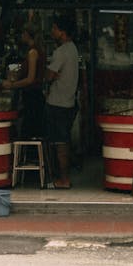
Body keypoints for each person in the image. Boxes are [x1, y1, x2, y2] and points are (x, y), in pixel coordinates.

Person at [44, 14, 79, 189]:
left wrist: (48, 74)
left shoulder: (61, 52)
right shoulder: (73, 49)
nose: (52, 32)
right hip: (69, 101)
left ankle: (63, 179)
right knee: (63, 141)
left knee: (59, 143)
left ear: (62, 32)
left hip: (58, 103)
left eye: (54, 29)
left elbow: (49, 75)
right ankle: (63, 177)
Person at [2, 22, 46, 139]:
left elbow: (30, 79)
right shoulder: (38, 50)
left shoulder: (32, 53)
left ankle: (30, 155)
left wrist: (12, 85)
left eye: (23, 33)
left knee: (29, 131)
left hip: (32, 97)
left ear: (27, 34)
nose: (21, 36)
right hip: (35, 96)